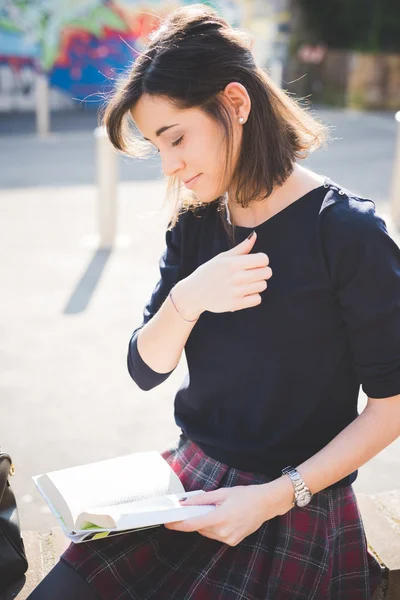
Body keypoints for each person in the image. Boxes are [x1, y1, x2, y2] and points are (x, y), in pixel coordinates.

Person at [28, 4, 400, 599]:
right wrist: (188, 297)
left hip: (293, 501)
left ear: (236, 103)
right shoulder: (198, 223)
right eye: (158, 146)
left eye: (177, 138)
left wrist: (274, 497)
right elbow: (145, 367)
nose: (171, 165)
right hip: (188, 480)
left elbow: (391, 408)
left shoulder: (347, 233)